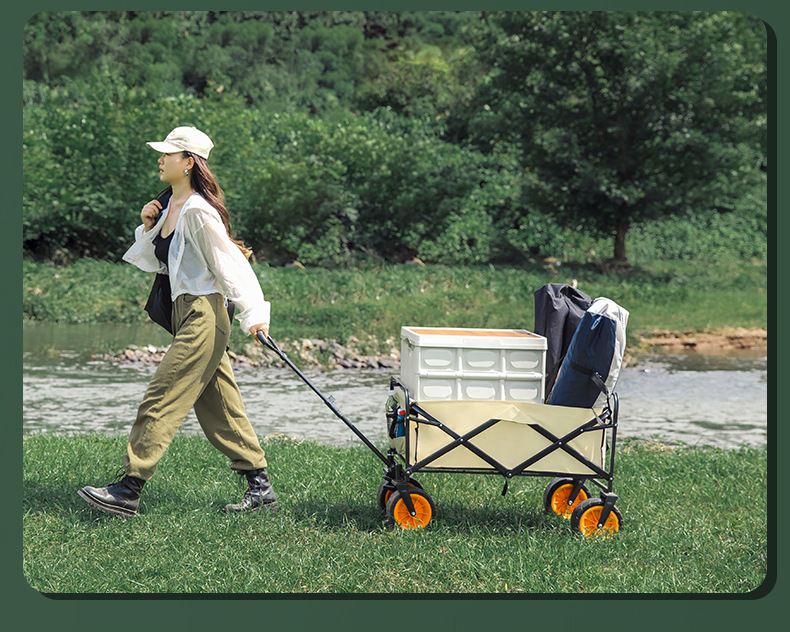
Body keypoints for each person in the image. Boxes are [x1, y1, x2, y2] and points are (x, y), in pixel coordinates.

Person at [78, 126, 276, 518]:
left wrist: (254, 313)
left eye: (169, 153)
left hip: (205, 314)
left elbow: (231, 265)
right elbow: (156, 261)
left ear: (189, 162)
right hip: (187, 313)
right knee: (221, 405)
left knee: (162, 395)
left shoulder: (200, 211)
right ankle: (260, 486)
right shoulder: (173, 207)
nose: (160, 158)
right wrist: (149, 223)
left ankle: (129, 488)